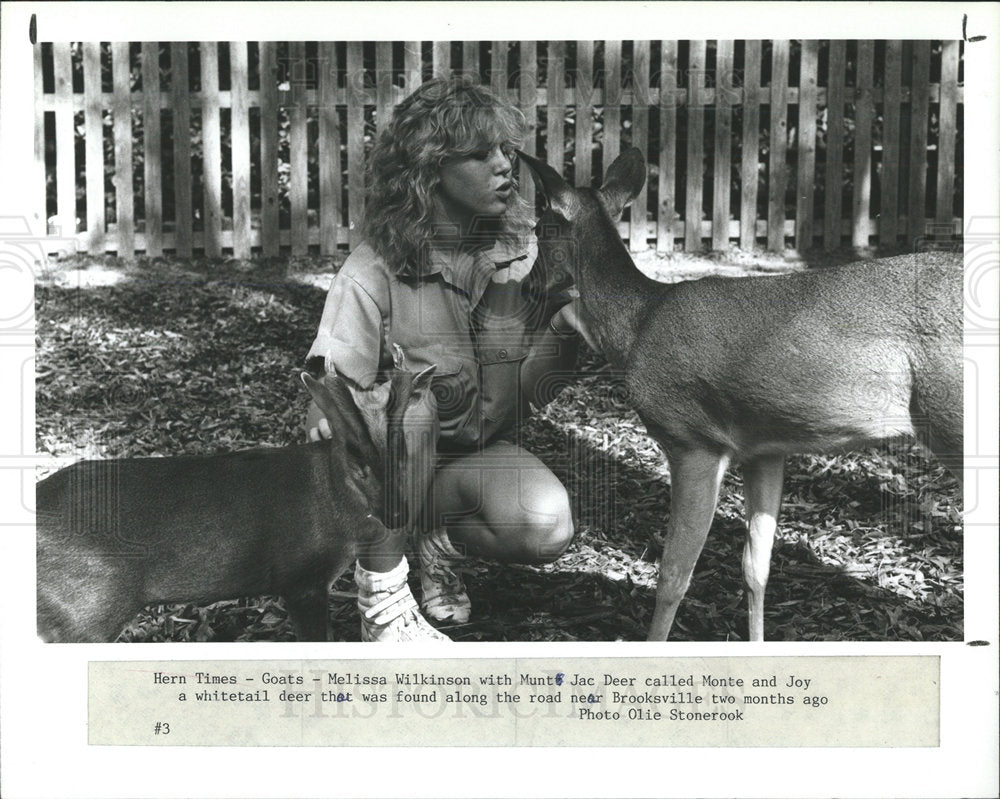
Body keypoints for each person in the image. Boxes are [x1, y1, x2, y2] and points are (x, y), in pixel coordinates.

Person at [305, 78, 581, 641]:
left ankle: (436, 546)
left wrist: (566, 338)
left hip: (464, 460)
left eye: (505, 150)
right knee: (414, 405)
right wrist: (332, 417)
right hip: (382, 478)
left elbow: (515, 400)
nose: (504, 166)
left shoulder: (521, 256)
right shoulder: (371, 272)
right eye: (480, 154)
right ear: (429, 170)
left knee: (545, 523)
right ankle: (382, 599)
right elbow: (330, 401)